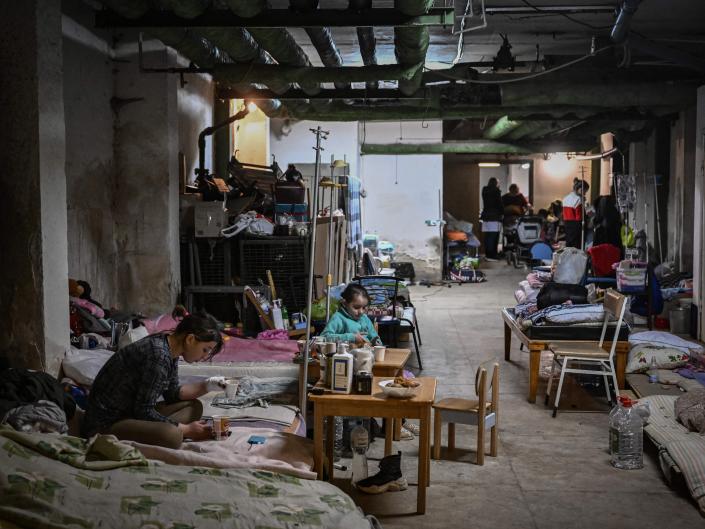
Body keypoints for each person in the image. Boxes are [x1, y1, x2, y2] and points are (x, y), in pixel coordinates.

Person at [82, 312, 225, 448]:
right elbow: (143, 410)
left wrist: (208, 385)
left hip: (131, 412)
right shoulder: (158, 355)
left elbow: (172, 394)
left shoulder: (170, 347)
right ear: (190, 339)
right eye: (205, 349)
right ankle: (167, 431)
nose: (203, 356)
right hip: (107, 424)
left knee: (194, 407)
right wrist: (186, 429)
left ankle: (162, 430)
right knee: (173, 436)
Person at [562, 178, 590, 249]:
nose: (584, 193)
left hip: (567, 224)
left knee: (569, 246)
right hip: (577, 226)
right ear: (580, 189)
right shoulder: (579, 199)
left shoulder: (565, 198)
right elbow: (579, 217)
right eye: (584, 191)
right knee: (577, 248)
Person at [481, 177, 503, 260]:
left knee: (487, 236)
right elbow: (499, 203)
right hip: (494, 216)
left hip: (486, 216)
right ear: (496, 183)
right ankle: (492, 254)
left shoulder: (484, 190)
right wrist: (503, 212)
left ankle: (487, 253)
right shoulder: (496, 191)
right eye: (498, 183)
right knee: (494, 236)